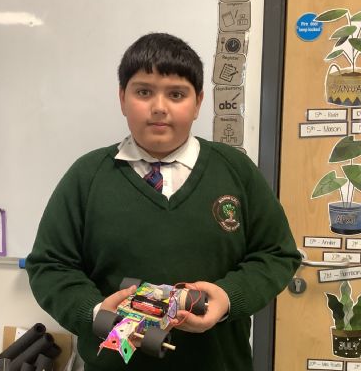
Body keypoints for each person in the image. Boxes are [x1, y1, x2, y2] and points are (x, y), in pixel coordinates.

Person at [26, 32, 301, 371]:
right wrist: (95, 314)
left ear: (198, 103)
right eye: (143, 92)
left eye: (176, 94)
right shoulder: (87, 177)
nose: (159, 107)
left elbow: (277, 254)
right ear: (122, 98)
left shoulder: (235, 170)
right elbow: (49, 266)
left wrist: (229, 298)